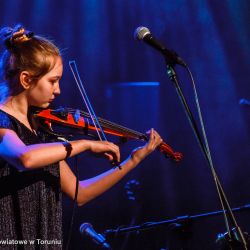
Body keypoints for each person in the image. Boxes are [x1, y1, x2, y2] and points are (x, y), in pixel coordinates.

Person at [0, 24, 163, 249]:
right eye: (52, 81)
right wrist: (84, 144)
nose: (58, 90)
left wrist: (133, 160)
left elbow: (80, 193)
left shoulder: (42, 131)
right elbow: (24, 158)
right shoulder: (2, 121)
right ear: (26, 80)